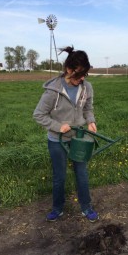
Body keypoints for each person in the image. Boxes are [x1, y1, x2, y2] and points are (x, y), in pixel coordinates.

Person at [33, 45, 99, 223]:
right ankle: (57, 208)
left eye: (85, 74)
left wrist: (91, 121)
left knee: (82, 173)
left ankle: (86, 207)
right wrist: (57, 126)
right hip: (57, 140)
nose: (82, 78)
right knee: (59, 176)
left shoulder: (87, 88)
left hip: (78, 138)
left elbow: (88, 108)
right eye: (79, 74)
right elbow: (38, 115)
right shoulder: (53, 91)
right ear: (68, 70)